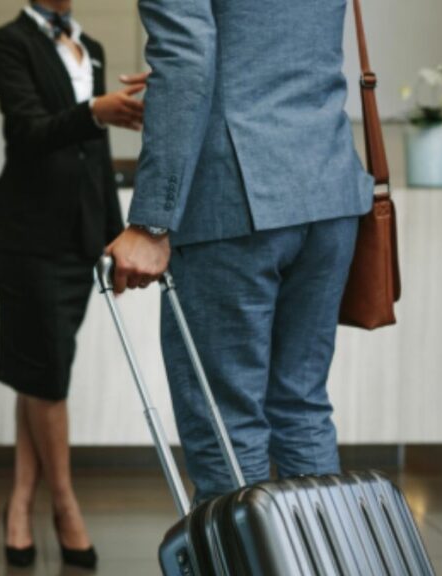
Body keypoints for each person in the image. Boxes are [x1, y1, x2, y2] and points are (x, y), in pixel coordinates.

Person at [106, 0, 375, 504]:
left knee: (227, 422)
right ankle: (318, 547)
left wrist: (151, 222)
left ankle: (243, 548)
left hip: (234, 197)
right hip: (328, 187)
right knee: (301, 406)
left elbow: (185, 56)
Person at [0, 0, 147, 569]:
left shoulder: (90, 48)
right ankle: (65, 506)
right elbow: (27, 132)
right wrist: (95, 110)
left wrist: (115, 235)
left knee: (39, 373)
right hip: (26, 237)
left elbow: (95, 153)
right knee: (48, 374)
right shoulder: (8, 42)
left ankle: (19, 503)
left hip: (79, 238)